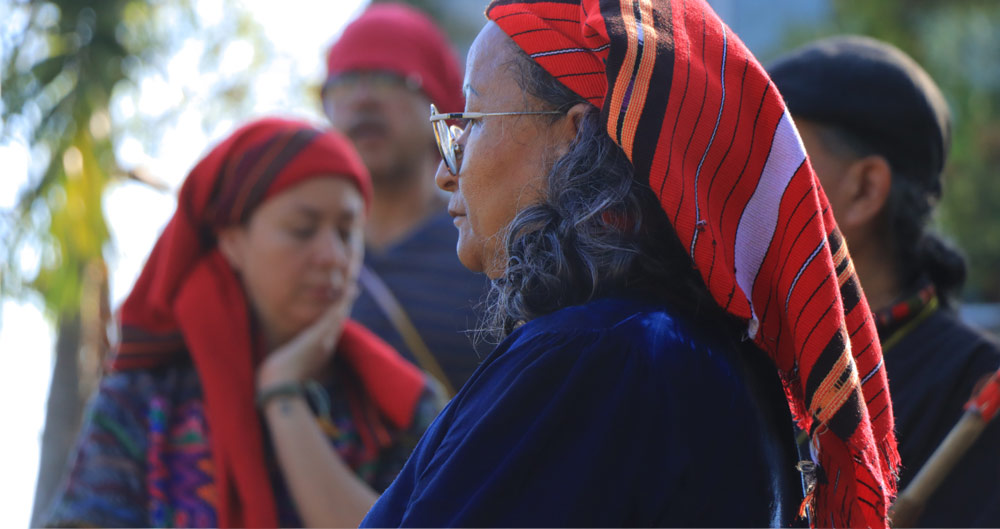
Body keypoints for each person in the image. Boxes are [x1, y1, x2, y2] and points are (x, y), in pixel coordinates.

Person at [360, 1, 901, 527]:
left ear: (572, 135)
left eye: (471, 121)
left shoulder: (594, 356)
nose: (445, 173)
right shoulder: (696, 348)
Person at [44, 118, 444, 528]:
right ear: (233, 242)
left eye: (346, 233)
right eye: (303, 230)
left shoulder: (395, 406)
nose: (332, 256)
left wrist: (281, 392)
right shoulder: (146, 397)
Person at [769, 36, 1000, 527]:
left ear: (865, 189)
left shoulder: (974, 387)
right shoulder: (753, 362)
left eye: (775, 161)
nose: (743, 186)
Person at [321, 3, 489, 394]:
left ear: (438, 109)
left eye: (387, 78)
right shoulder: (304, 247)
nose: (363, 99)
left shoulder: (487, 246)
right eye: (345, 81)